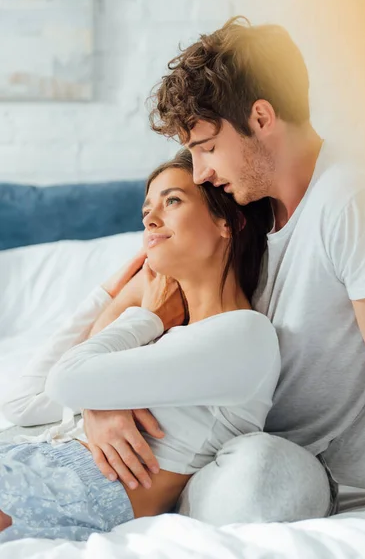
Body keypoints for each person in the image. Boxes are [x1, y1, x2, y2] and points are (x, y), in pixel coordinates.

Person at [71, 15, 365, 523]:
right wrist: (102, 404)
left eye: (206, 147)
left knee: (259, 469)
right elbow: (129, 310)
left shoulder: (354, 200)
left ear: (262, 118)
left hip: (337, 482)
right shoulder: (239, 214)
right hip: (226, 455)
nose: (200, 171)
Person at [1, 149, 308, 542]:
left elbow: (66, 381)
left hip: (64, 490)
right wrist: (113, 293)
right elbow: (23, 403)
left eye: (172, 200)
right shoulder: (163, 340)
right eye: (147, 208)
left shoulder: (244, 334)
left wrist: (143, 317)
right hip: (31, 466)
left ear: (226, 222)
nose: (149, 218)